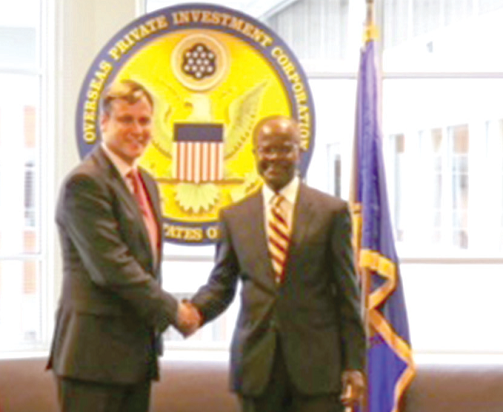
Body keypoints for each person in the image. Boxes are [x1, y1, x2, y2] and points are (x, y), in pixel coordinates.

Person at [187, 115, 366, 412]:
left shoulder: (331, 213)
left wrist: (355, 364)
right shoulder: (234, 217)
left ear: (299, 152)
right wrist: (190, 312)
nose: (275, 158)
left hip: (318, 371)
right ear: (255, 154)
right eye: (266, 150)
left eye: (285, 149)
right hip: (257, 369)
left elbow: (348, 294)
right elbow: (221, 284)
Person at [48, 79, 200, 412]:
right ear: (104, 123)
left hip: (134, 356)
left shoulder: (145, 182)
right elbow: (112, 267)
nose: (138, 129)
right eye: (126, 120)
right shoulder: (85, 183)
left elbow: (146, 264)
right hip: (92, 359)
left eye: (145, 120)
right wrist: (174, 311)